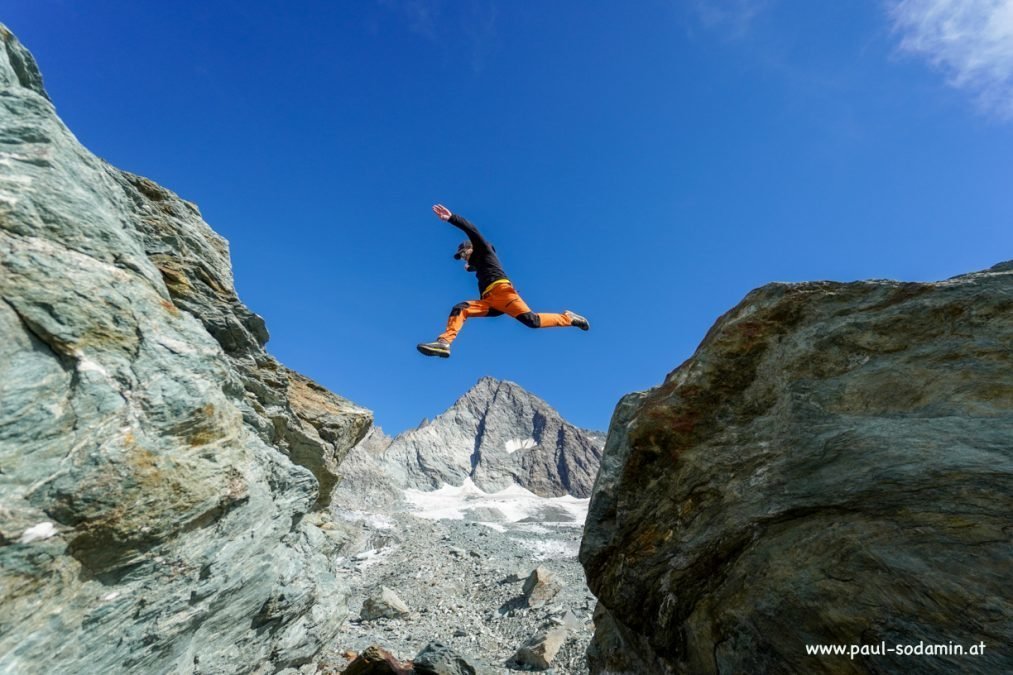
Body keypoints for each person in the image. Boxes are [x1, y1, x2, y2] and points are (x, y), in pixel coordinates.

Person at [417, 204, 589, 358]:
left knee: (532, 321)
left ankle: (569, 318)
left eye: (463, 254)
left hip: (503, 293)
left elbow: (473, 231)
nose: (463, 258)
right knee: (460, 308)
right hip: (489, 302)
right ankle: (444, 343)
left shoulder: (483, 250)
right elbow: (479, 266)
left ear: (471, 249)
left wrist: (452, 218)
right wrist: (471, 267)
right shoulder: (479, 263)